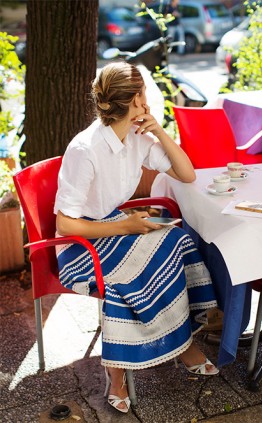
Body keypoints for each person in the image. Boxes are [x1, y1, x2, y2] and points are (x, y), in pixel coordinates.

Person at [54, 62, 219, 413]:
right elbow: (66, 224)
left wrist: (159, 130)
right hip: (80, 247)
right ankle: (116, 373)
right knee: (126, 278)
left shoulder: (136, 138)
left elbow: (187, 174)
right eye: (143, 92)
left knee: (177, 241)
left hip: (114, 226)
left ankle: (181, 341)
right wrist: (125, 227)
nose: (148, 99)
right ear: (131, 99)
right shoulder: (85, 149)